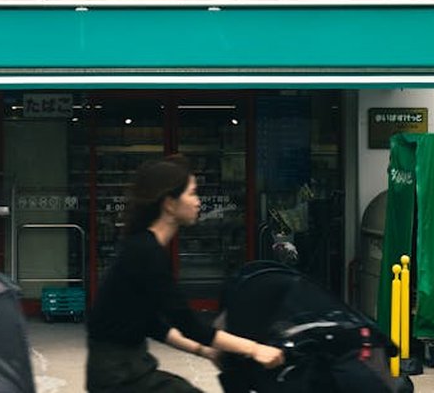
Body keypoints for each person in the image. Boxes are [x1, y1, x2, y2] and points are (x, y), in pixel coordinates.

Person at [86, 155, 285, 392]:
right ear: (170, 203)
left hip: (123, 368)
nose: (198, 202)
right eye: (192, 193)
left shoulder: (144, 247)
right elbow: (190, 325)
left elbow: (153, 324)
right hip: (120, 373)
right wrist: (255, 349)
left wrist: (205, 351)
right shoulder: (147, 252)